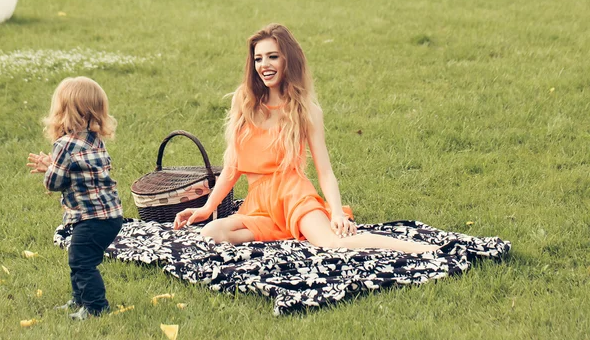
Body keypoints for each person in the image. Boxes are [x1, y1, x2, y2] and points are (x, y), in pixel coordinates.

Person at [173, 23, 440, 253]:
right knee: (211, 234)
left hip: (293, 195)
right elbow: (232, 168)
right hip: (259, 203)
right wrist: (207, 209)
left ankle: (420, 249)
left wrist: (335, 212)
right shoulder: (244, 103)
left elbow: (325, 171)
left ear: (287, 60)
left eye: (272, 57)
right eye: (258, 59)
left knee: (331, 244)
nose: (264, 65)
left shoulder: (306, 111)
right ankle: (288, 232)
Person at [27, 77, 123, 320]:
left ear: (62, 111)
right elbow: (81, 172)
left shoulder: (64, 145)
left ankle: (95, 308)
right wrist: (54, 165)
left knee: (82, 262)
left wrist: (50, 168)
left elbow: (54, 182)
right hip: (110, 216)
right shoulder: (94, 140)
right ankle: (79, 299)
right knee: (78, 256)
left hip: (91, 218)